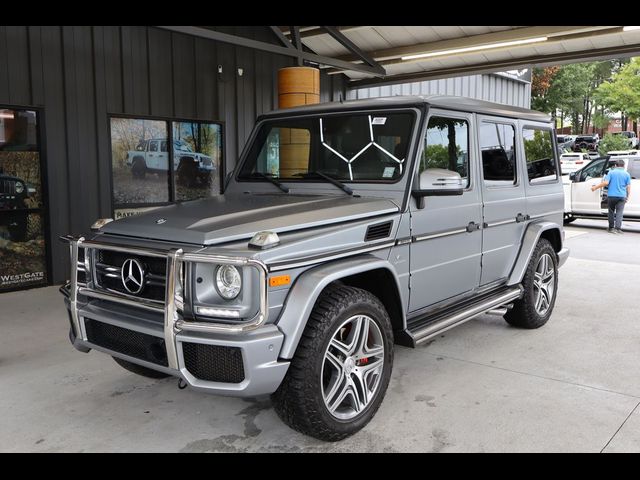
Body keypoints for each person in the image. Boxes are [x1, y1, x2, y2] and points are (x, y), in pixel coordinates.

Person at [591, 159, 631, 233]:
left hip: (612, 196)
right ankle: (618, 229)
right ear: (623, 166)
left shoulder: (611, 172)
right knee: (620, 212)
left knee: (611, 211)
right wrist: (627, 196)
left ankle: (611, 228)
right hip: (622, 196)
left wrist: (595, 187)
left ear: (615, 165)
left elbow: (606, 183)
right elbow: (628, 187)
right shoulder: (627, 174)